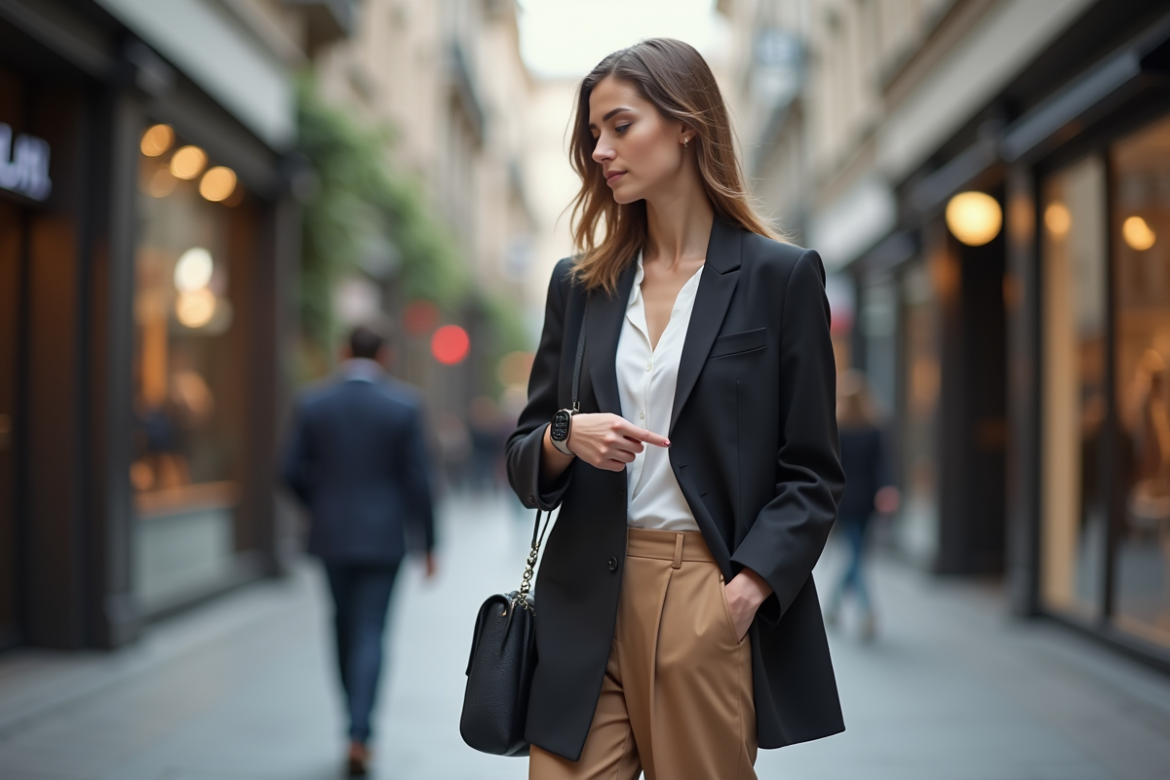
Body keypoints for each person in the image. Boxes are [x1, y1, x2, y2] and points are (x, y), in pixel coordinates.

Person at [506, 38, 845, 780]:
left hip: (703, 593)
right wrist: (569, 434)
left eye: (620, 127)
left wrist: (748, 588)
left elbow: (813, 469)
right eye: (592, 134)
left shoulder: (779, 278)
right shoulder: (581, 284)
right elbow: (526, 454)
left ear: (686, 123)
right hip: (583, 597)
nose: (600, 150)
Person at [282, 324, 436, 777]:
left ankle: (352, 722)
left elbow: (288, 470)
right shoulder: (405, 405)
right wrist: (430, 543)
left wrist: (320, 505)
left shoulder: (313, 402)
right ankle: (360, 732)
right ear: (385, 356)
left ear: (343, 351)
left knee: (342, 625)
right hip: (385, 538)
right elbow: (419, 481)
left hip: (331, 536)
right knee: (371, 631)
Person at [826, 370, 898, 642]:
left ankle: (834, 605)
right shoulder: (874, 429)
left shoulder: (835, 429)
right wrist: (887, 490)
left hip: (843, 501)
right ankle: (866, 612)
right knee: (857, 555)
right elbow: (883, 466)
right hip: (868, 501)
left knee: (855, 555)